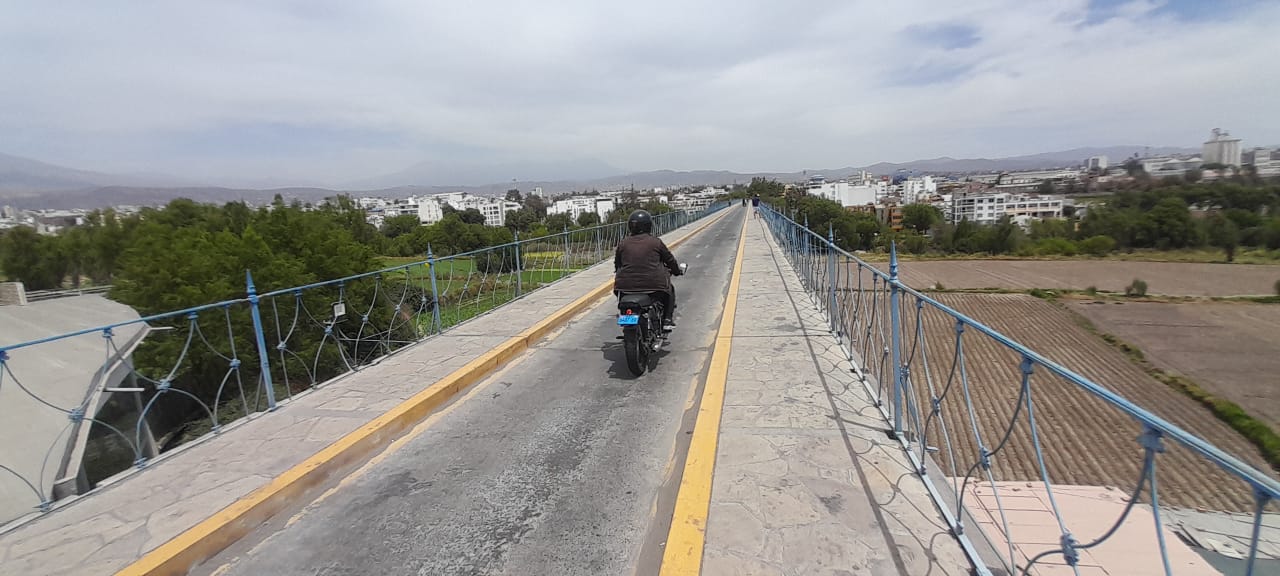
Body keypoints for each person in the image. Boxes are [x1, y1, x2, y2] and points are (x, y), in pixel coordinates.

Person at [614, 209, 682, 329]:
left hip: (625, 286)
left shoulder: (623, 243)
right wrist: (677, 271)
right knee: (670, 290)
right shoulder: (656, 242)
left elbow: (617, 264)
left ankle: (625, 315)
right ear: (649, 226)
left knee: (620, 295)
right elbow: (669, 260)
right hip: (654, 285)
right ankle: (667, 320)